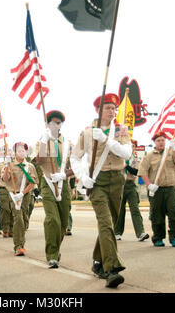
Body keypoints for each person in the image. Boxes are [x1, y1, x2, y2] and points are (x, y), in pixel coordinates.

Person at [70, 93, 132, 288]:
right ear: (98, 110)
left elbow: (126, 153)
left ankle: (97, 262)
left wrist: (106, 139)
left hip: (117, 180)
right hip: (98, 181)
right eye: (108, 108)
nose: (112, 111)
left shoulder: (121, 130)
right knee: (105, 223)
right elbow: (75, 157)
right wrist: (83, 177)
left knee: (110, 225)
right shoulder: (87, 132)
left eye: (114, 108)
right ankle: (111, 269)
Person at [34, 110, 73, 268]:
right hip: (48, 183)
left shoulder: (68, 143)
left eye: (58, 123)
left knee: (63, 223)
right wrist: (45, 142)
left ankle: (55, 249)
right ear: (47, 124)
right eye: (52, 122)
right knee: (53, 220)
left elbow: (76, 166)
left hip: (63, 184)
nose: (56, 125)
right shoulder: (42, 141)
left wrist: (64, 174)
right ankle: (51, 255)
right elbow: (40, 160)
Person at [138, 132, 175, 247]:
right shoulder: (149, 156)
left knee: (174, 213)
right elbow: (142, 172)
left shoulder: (171, 153)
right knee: (157, 215)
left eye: (163, 140)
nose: (161, 142)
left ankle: (174, 237)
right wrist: (149, 185)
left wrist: (174, 150)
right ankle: (158, 238)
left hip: (170, 189)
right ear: (154, 142)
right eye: (158, 140)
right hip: (156, 190)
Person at [1, 142, 38, 256]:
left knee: (24, 219)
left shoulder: (30, 166)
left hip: (25, 196)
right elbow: (5, 179)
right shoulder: (9, 164)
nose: (22, 152)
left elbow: (33, 182)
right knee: (18, 219)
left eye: (24, 150)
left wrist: (22, 193)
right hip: (13, 195)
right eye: (19, 150)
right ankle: (19, 246)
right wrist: (7, 166)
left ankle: (21, 243)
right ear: (15, 152)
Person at [114, 139, 149, 242]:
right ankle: (117, 232)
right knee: (120, 210)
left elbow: (137, 171)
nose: (131, 147)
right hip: (119, 185)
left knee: (135, 208)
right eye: (129, 145)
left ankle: (140, 233)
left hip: (130, 185)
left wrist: (126, 166)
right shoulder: (118, 156)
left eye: (133, 146)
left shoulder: (135, 158)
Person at [0, 160, 14, 238]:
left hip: (14, 189)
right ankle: (5, 229)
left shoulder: (17, 164)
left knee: (13, 209)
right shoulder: (0, 165)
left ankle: (12, 229)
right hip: (4, 188)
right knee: (5, 209)